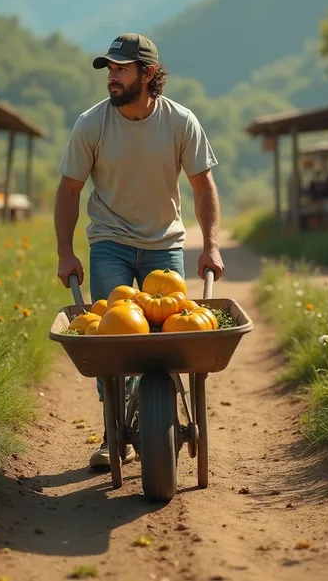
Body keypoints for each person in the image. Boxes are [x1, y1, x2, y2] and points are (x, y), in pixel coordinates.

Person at [54, 32, 224, 469]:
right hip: (109, 241)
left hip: (164, 244)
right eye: (109, 70)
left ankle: (159, 417)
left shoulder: (180, 121)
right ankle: (115, 434)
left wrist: (211, 246)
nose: (111, 78)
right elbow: (69, 190)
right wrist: (65, 252)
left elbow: (203, 186)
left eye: (120, 70)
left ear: (148, 74)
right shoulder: (91, 123)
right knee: (112, 341)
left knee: (167, 343)